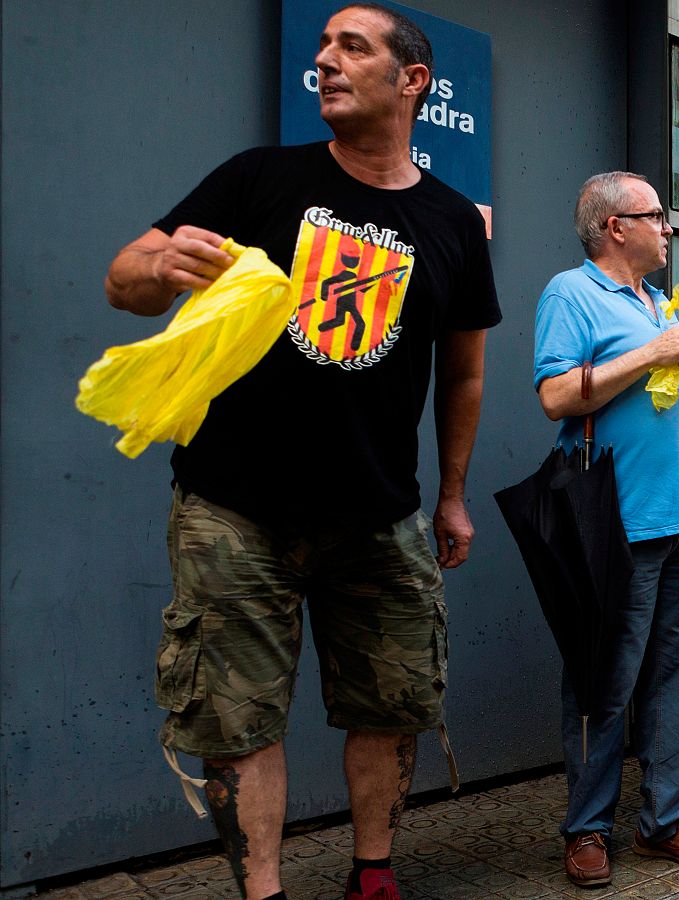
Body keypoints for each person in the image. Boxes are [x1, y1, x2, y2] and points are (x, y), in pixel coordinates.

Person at [104, 7, 500, 898]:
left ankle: (372, 875)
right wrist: (158, 271)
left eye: (352, 47)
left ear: (412, 81)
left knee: (392, 706)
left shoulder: (448, 222)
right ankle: (266, 893)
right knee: (237, 721)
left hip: (380, 511)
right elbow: (125, 273)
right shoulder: (259, 179)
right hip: (234, 508)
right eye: (321, 46)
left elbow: (465, 374)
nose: (324, 60)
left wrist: (454, 494)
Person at [534, 172, 679, 885]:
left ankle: (669, 820)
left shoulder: (658, 300)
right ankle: (587, 830)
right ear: (616, 226)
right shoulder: (572, 292)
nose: (668, 228)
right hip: (616, 522)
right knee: (604, 680)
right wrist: (650, 354)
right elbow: (556, 395)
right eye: (657, 216)